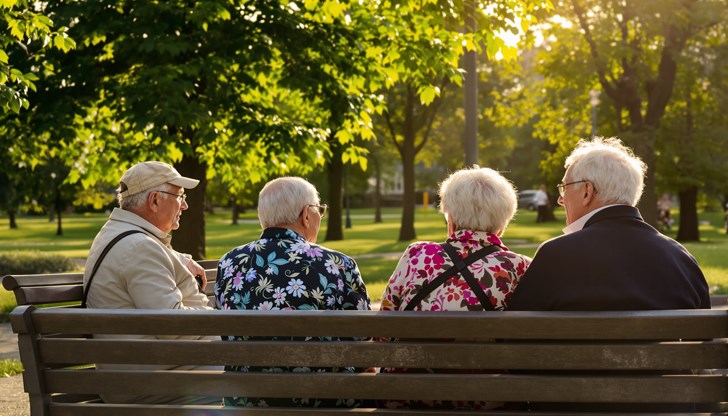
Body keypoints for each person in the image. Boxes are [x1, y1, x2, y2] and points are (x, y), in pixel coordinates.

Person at [380, 166, 531, 411]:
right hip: (487, 400)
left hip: (410, 396)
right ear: (502, 225)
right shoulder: (520, 267)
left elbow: (382, 330)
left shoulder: (417, 255)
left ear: (450, 220)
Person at [215, 176, 371, 408]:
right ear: (306, 215)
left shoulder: (230, 262)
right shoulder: (338, 263)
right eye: (320, 210)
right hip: (325, 401)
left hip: (246, 401)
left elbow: (227, 332)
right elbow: (362, 338)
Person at [509, 137, 710, 311]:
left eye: (564, 188)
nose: (561, 200)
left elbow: (516, 334)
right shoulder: (682, 259)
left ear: (587, 191)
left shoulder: (555, 255)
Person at [83, 161, 221, 405]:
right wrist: (217, 316)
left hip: (148, 371)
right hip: (149, 383)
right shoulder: (140, 248)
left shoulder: (119, 235)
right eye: (180, 196)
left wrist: (181, 258)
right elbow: (175, 328)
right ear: (155, 200)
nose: (186, 205)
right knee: (258, 378)